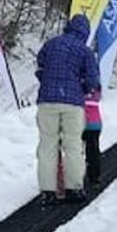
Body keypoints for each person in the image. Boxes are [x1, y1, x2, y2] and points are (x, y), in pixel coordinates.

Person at [33, 13, 100, 202]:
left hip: (47, 101)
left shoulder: (51, 44)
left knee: (47, 145)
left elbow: (40, 67)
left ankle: (48, 191)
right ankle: (74, 188)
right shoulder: (85, 51)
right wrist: (83, 88)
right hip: (73, 103)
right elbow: (92, 80)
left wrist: (48, 83)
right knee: (73, 145)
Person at [82, 87, 104, 187]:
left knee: (77, 150)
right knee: (93, 150)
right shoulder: (95, 90)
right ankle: (95, 175)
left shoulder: (77, 88)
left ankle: (78, 175)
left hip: (82, 122)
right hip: (96, 123)